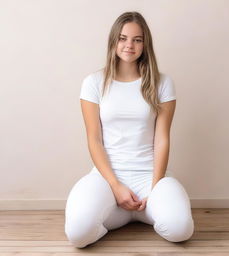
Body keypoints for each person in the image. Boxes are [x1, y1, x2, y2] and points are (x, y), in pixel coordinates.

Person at [65, 11, 194, 248]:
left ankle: (138, 212)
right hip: (106, 178)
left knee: (180, 230)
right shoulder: (93, 83)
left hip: (150, 176)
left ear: (145, 44)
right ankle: (118, 215)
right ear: (113, 41)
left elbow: (162, 139)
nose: (129, 45)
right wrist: (115, 186)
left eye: (137, 39)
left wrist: (155, 188)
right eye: (123, 38)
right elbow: (94, 140)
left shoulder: (162, 83)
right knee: (77, 234)